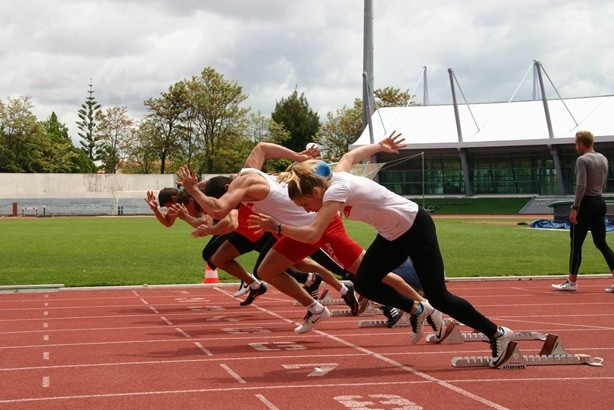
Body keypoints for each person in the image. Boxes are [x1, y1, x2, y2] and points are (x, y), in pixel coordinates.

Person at [248, 131, 514, 368]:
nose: (306, 210)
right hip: (391, 235)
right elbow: (350, 156)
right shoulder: (334, 177)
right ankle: (417, 309)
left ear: (316, 192)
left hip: (415, 227)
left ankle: (497, 334)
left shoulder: (335, 192)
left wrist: (277, 227)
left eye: (305, 204)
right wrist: (379, 146)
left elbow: (313, 233)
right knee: (364, 283)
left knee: (440, 297)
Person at [176, 143, 432, 334]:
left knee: (365, 272)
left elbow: (217, 210)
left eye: (227, 197)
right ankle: (316, 309)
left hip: (320, 226)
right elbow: (262, 147)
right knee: (267, 270)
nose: (231, 203)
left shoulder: (243, 187)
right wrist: (297, 157)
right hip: (297, 230)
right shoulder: (247, 172)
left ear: (227, 189)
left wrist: (192, 189)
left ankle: (422, 305)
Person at [551, 130, 614, 293]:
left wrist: (575, 207)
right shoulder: (603, 158)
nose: (575, 147)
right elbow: (603, 183)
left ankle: (572, 282)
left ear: (581, 144)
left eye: (575, 144)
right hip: (599, 202)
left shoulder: (582, 160)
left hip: (585, 203)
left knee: (576, 244)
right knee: (601, 243)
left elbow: (581, 185)